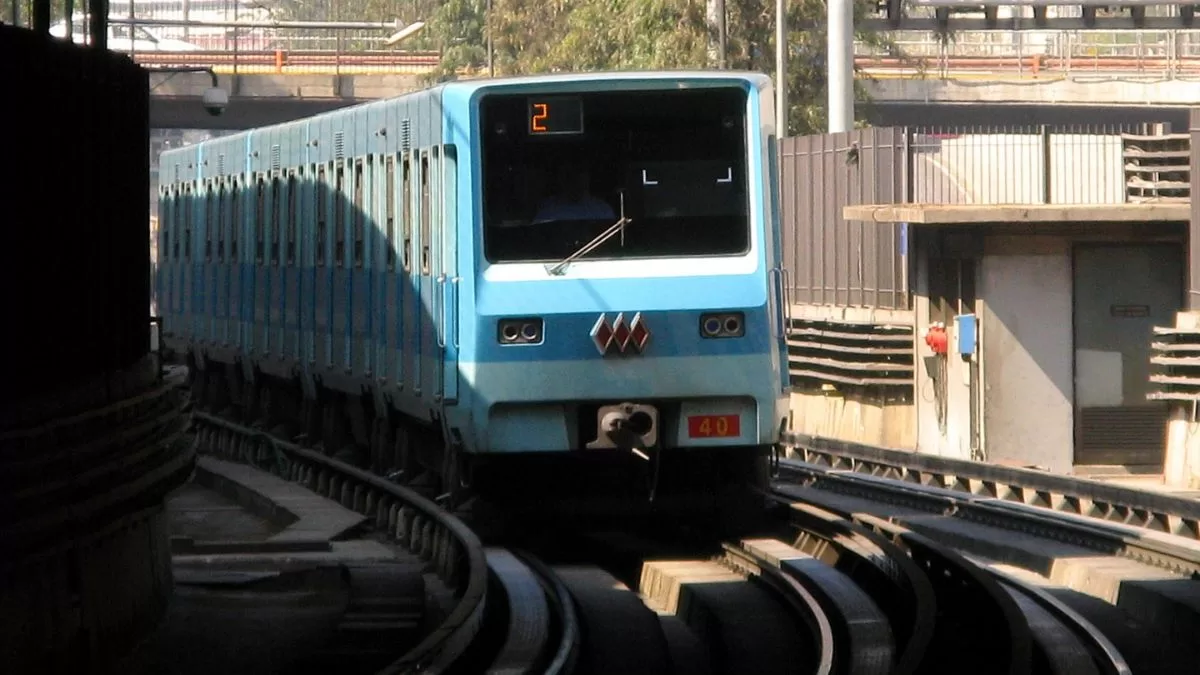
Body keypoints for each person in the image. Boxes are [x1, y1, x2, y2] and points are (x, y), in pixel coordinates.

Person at [532, 162, 615, 224]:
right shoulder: (547, 211)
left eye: (580, 172)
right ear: (561, 178)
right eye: (569, 174)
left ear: (587, 177)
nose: (575, 179)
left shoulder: (603, 210)